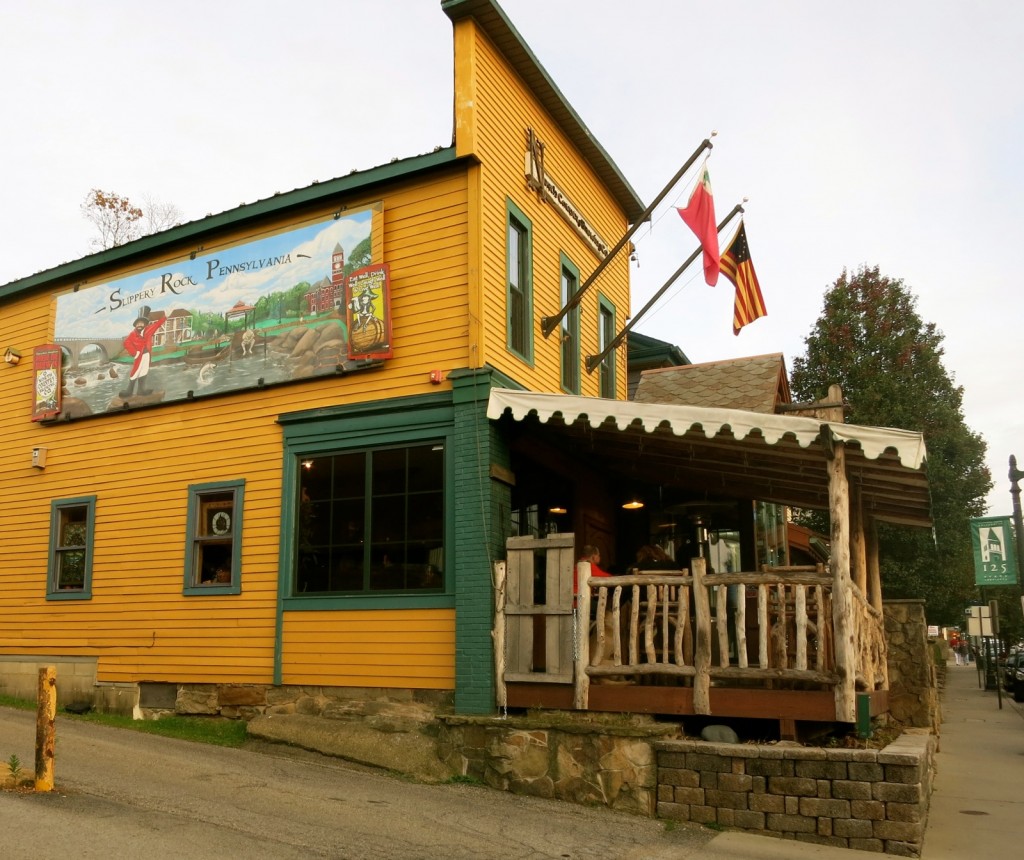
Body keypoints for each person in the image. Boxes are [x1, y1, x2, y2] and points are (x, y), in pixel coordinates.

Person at [119, 308, 166, 398]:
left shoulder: (148, 330)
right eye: (138, 323)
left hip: (147, 355)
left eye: (142, 323)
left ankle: (141, 390)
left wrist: (165, 317)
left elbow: (157, 325)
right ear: (135, 325)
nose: (140, 325)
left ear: (144, 324)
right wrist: (134, 353)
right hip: (139, 356)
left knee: (144, 371)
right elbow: (126, 343)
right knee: (135, 372)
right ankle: (129, 390)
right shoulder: (132, 334)